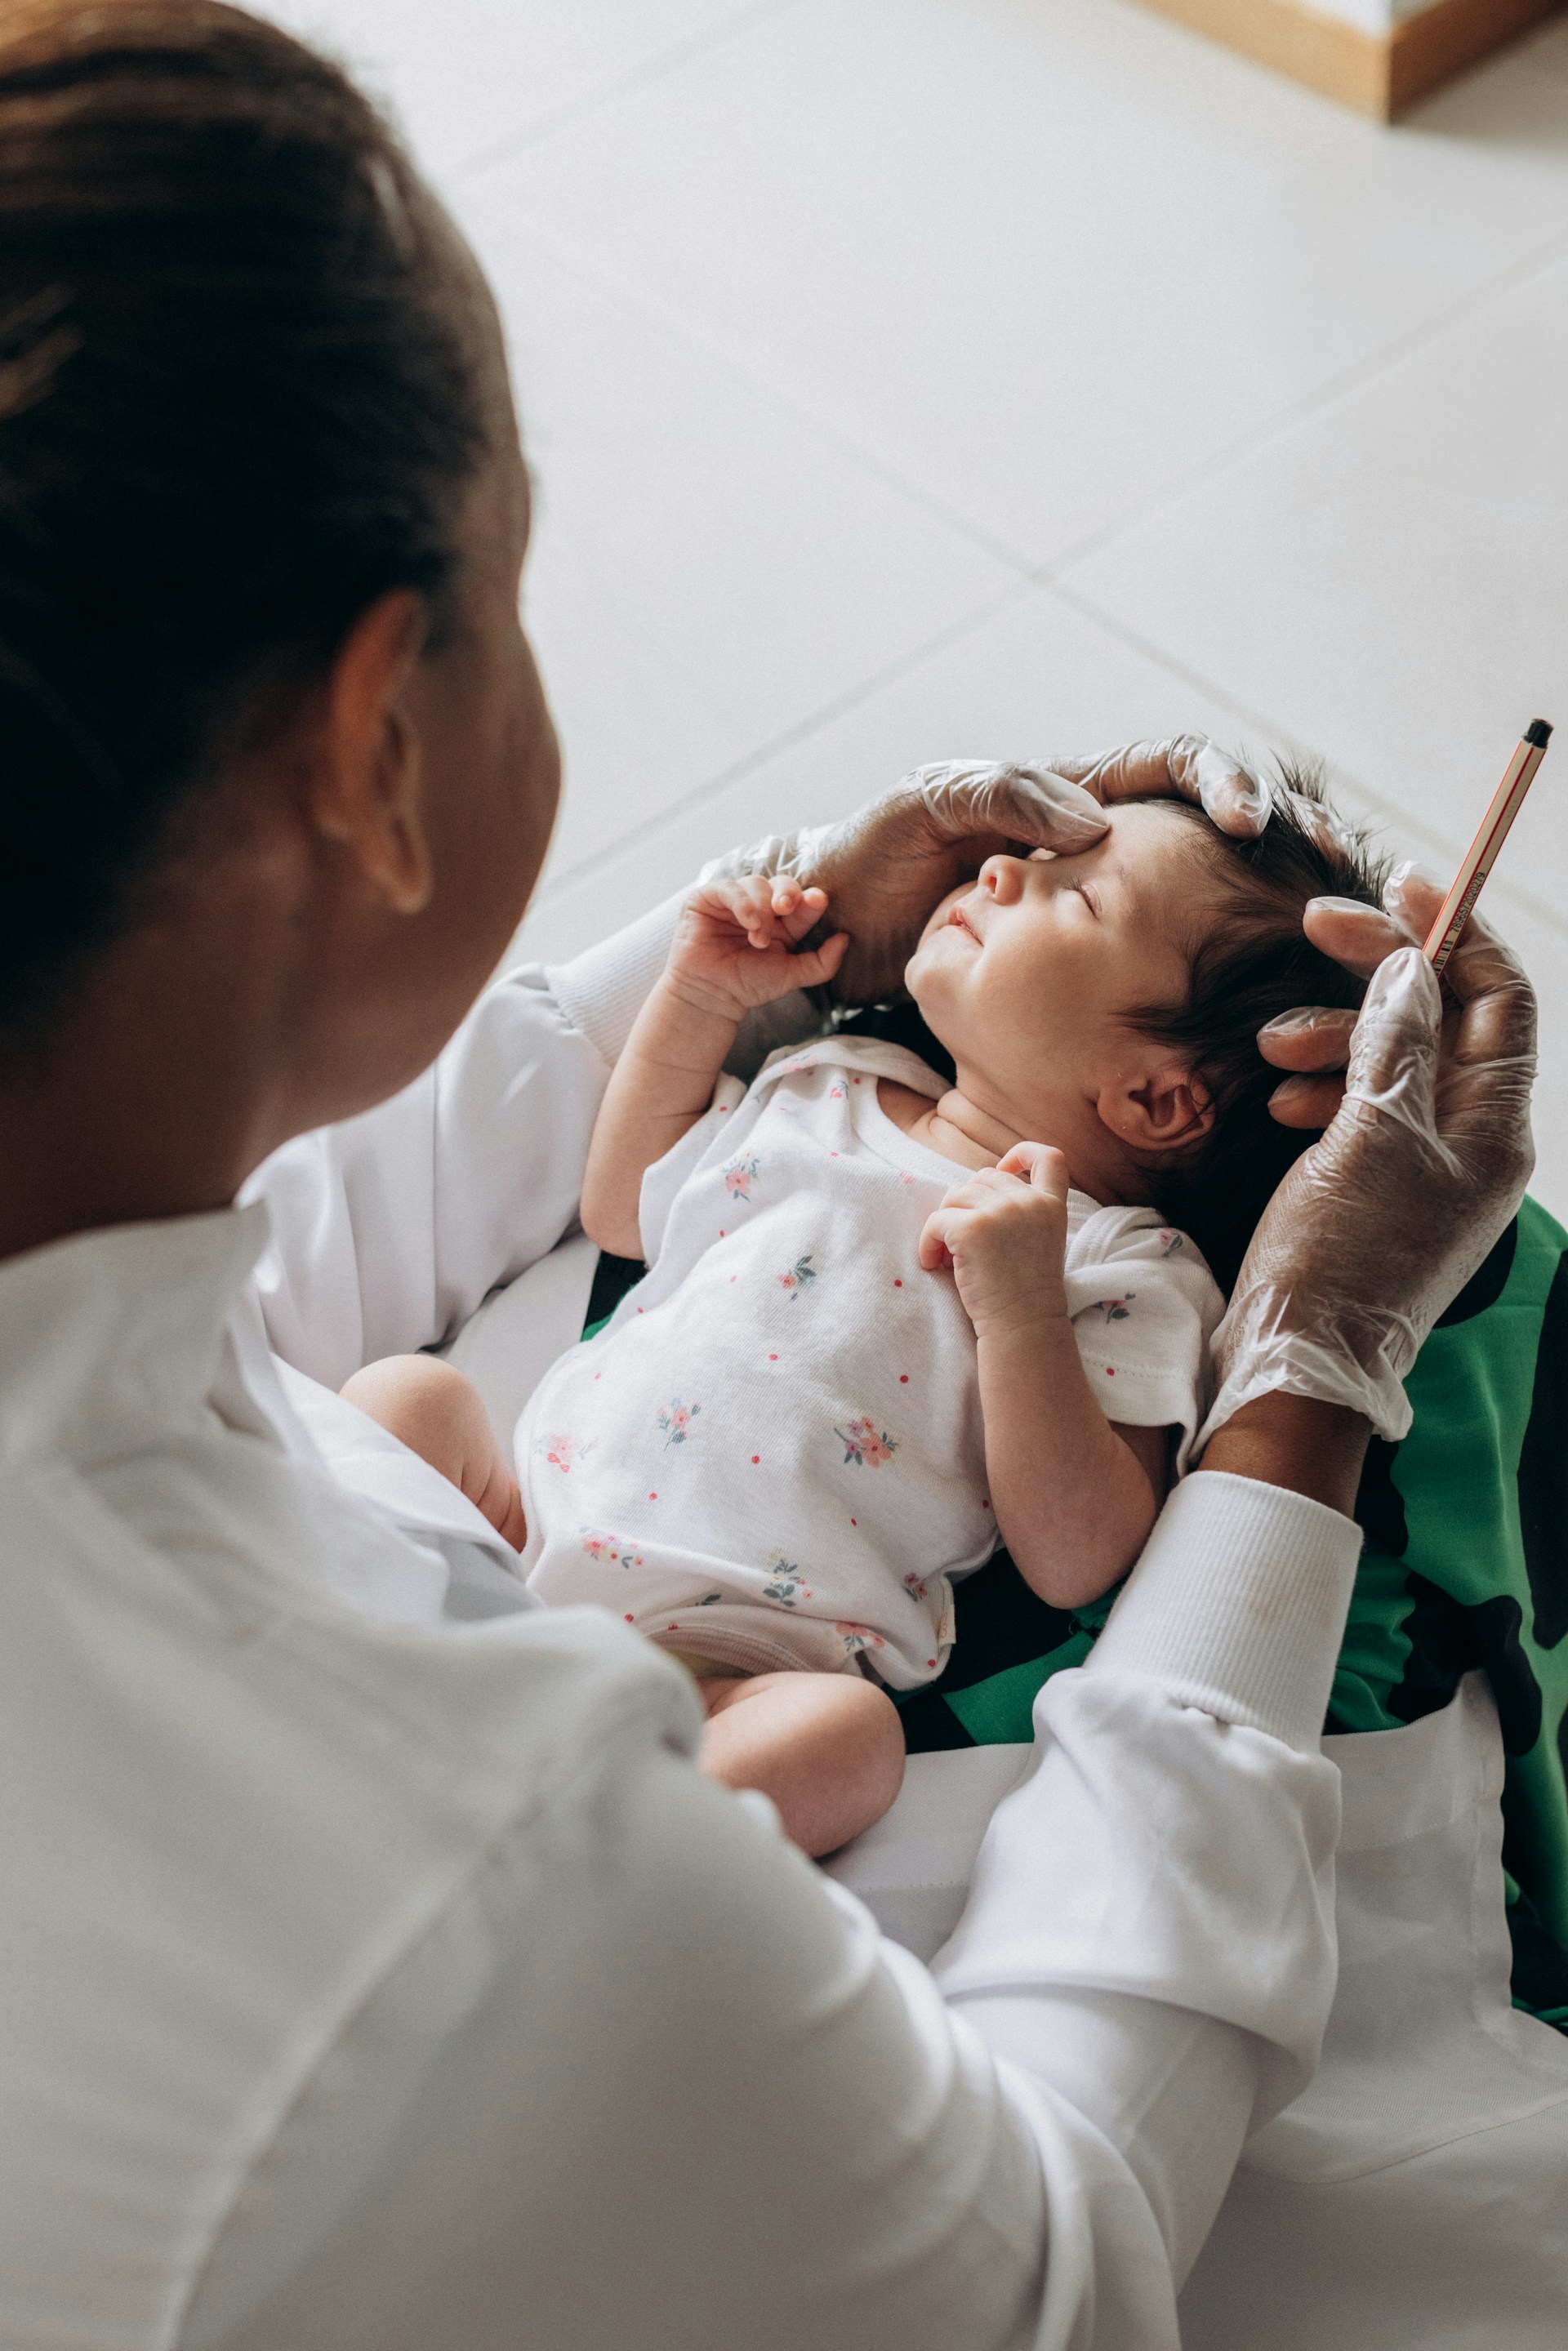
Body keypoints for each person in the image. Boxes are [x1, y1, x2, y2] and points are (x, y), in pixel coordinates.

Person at [0, 8, 1548, 2348]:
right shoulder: (461, 1896)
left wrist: (790, 936)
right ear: (374, 736)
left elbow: (342, 1226)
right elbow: (1049, 2286)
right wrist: (1313, 1378)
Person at [345, 781, 1381, 1859]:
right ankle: (345, 1647)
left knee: (848, 1742)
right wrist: (696, 998)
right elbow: (622, 1210)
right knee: (407, 1400)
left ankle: (576, 1839)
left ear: (1155, 1099)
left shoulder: (1121, 1263)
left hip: (730, 1659)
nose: (1000, 869)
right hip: (521, 1530)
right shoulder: (829, 1080)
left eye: (1075, 897)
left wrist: (1023, 1314)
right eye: (1033, 858)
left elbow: (1081, 1558)